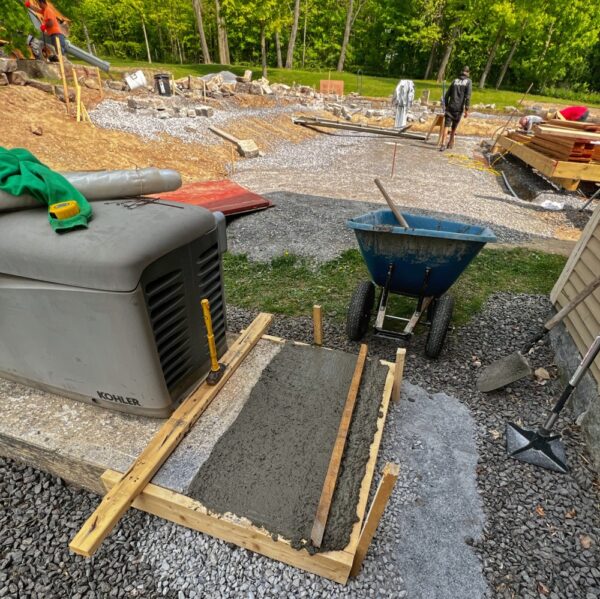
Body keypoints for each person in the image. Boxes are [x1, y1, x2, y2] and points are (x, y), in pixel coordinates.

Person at [439, 66, 472, 151]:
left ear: (461, 72)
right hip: (458, 108)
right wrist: (466, 110)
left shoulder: (454, 81)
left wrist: (446, 105)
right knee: (454, 127)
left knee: (446, 126)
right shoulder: (468, 82)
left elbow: (447, 95)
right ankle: (450, 143)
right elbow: (467, 97)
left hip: (450, 106)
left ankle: (443, 144)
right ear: (468, 73)